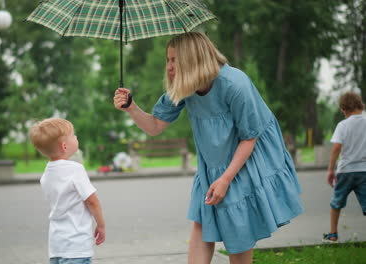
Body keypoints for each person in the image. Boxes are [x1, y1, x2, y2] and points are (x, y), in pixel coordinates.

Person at [113, 32, 303, 264]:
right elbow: (154, 126)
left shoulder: (234, 84)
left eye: (175, 60)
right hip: (212, 163)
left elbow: (249, 138)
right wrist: (131, 107)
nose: (169, 67)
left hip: (244, 159)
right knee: (202, 222)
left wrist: (225, 179)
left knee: (240, 229)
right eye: (167, 60)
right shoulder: (186, 87)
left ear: (193, 59)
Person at [30, 118, 106, 264]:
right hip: (76, 245)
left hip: (56, 246)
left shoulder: (47, 174)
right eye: (73, 135)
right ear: (65, 146)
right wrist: (101, 225)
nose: (76, 137)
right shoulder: (75, 169)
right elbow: (92, 201)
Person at [323, 92, 366, 243]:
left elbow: (336, 148)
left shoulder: (343, 125)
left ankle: (333, 234)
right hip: (364, 171)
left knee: (336, 203)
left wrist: (330, 169)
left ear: (343, 109)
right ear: (361, 105)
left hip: (346, 171)